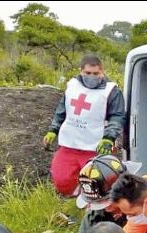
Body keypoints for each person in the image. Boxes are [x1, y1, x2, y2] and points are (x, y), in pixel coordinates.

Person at [42, 54, 125, 196]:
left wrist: (109, 138)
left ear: (102, 72)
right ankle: (78, 201)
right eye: (87, 73)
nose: (91, 76)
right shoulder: (72, 86)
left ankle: (96, 211)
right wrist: (53, 130)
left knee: (99, 185)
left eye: (95, 73)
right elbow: (62, 110)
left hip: (96, 148)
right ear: (81, 71)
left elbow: (117, 116)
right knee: (62, 181)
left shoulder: (111, 91)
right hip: (69, 144)